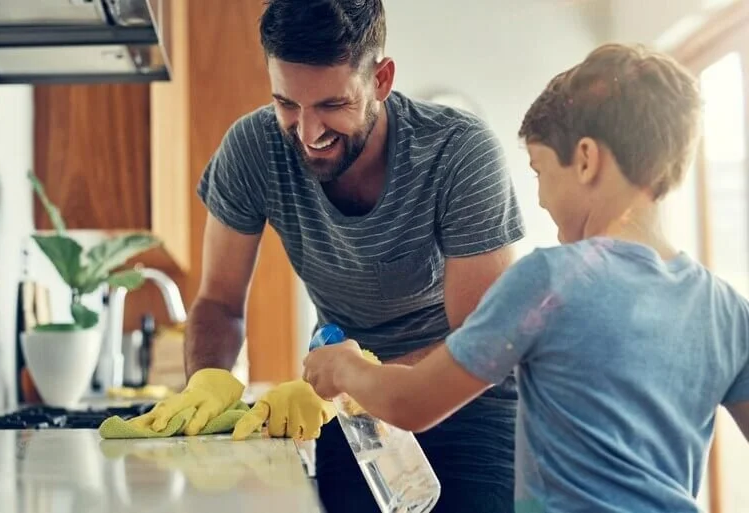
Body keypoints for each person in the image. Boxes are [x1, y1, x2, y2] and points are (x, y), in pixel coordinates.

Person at [302, 42, 749, 512]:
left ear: (585, 159)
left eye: (538, 170)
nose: (538, 199)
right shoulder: (727, 310)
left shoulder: (549, 282)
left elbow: (412, 404)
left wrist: (346, 365)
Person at [132, 0, 525, 510]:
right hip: (350, 417)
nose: (308, 133)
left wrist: (348, 380)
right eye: (287, 104)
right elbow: (220, 303)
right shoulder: (252, 150)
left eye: (332, 106)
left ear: (381, 80)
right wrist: (209, 378)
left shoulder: (459, 154)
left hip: (466, 410)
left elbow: (480, 342)